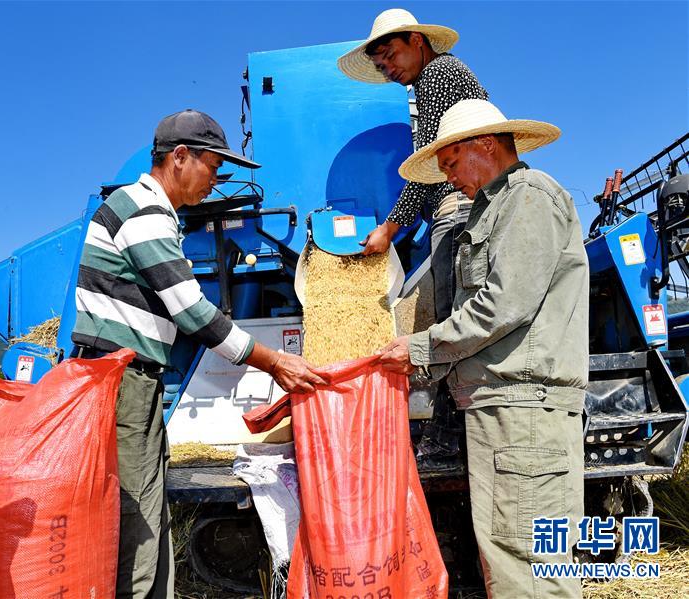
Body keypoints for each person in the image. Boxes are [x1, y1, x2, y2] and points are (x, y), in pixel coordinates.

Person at [70, 109, 325, 598]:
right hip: (121, 384)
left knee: (148, 509)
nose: (216, 180)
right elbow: (192, 312)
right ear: (180, 157)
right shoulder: (144, 212)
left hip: (132, 383)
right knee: (136, 524)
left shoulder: (153, 213)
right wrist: (277, 362)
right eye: (213, 166)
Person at [379, 99, 588, 598]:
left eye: (451, 164)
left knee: (528, 565)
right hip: (507, 411)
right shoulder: (494, 207)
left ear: (486, 145)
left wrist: (420, 347)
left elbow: (501, 305)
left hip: (523, 411)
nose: (449, 179)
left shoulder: (529, 198)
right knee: (512, 556)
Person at [338, 8, 489, 466]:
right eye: (380, 64)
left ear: (418, 42)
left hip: (459, 208)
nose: (388, 67)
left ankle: (450, 435)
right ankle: (455, 429)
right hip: (456, 206)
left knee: (452, 319)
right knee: (454, 315)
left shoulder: (438, 74)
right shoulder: (431, 82)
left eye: (391, 54)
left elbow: (430, 169)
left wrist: (388, 227)